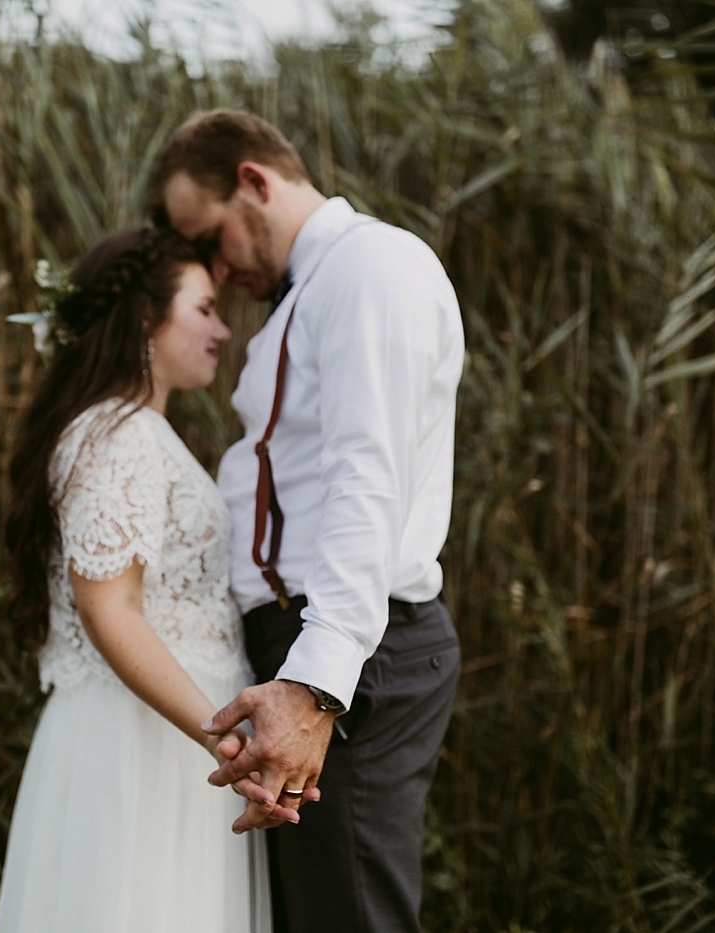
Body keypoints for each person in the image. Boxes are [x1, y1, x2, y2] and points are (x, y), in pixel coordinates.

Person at [150, 110, 464, 933]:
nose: (215, 266)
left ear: (255, 182)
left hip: (349, 651)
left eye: (211, 236)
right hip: (311, 645)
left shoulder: (372, 267)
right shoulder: (309, 297)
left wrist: (316, 683)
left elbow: (369, 478)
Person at [0, 227, 298, 932]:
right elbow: (111, 610)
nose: (222, 329)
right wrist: (222, 740)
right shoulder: (116, 433)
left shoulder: (140, 430)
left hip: (171, 737)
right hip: (141, 743)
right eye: (204, 308)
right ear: (143, 318)